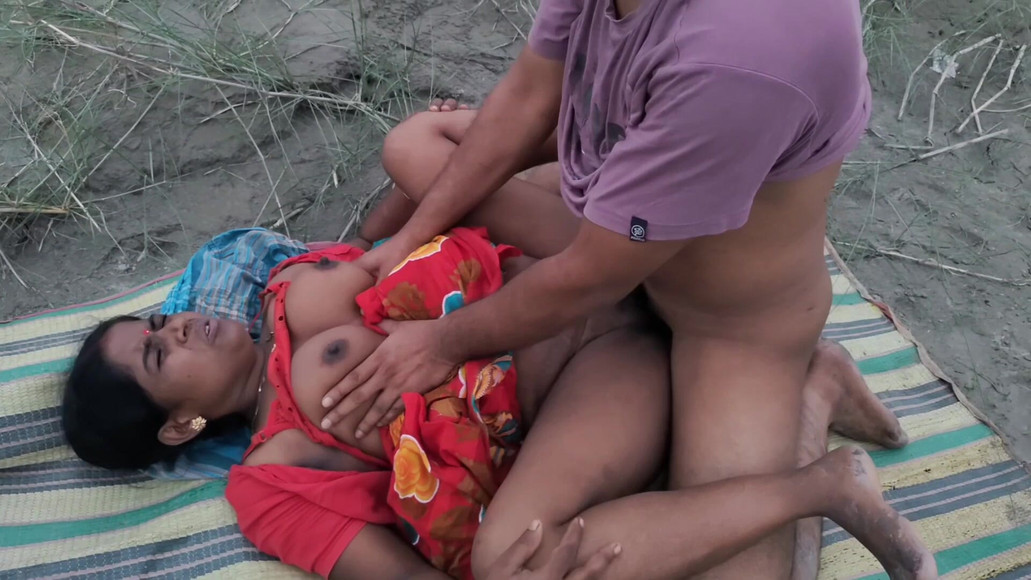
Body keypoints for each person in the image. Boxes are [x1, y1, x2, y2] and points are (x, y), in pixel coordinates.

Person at [318, 1, 877, 578]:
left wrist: (442, 342)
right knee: (415, 147)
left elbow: (591, 276)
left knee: (718, 569)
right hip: (622, 234)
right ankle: (713, 430)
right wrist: (410, 237)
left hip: (729, 323)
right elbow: (530, 95)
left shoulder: (738, 55)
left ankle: (811, 407)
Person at [62, 224, 931, 578]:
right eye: (159, 354)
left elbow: (420, 235)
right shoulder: (271, 483)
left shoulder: (292, 285)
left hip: (594, 285)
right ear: (181, 425)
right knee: (514, 559)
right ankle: (822, 470)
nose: (181, 326)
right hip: (601, 379)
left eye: (160, 320)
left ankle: (811, 409)